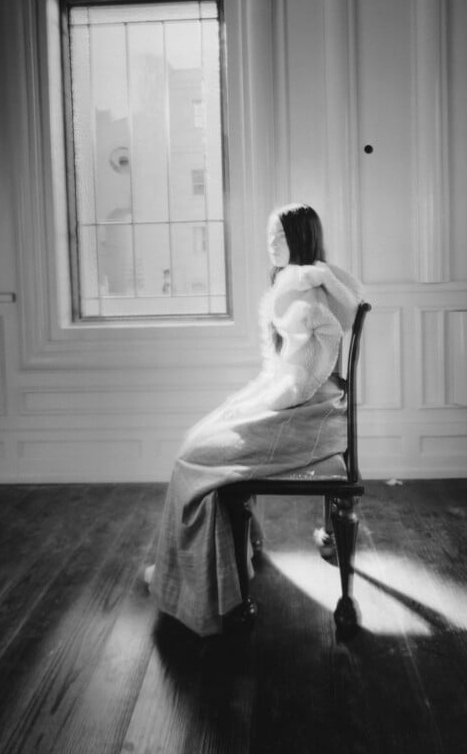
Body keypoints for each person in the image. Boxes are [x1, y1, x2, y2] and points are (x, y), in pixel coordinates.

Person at [147, 203, 364, 636]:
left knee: (193, 454)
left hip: (305, 421)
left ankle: (196, 583)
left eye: (279, 238)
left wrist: (255, 406)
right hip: (305, 409)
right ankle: (205, 569)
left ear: (299, 240)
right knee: (199, 439)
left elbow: (300, 382)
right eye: (269, 236)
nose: (271, 245)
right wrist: (252, 399)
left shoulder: (303, 299)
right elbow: (291, 374)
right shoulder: (302, 286)